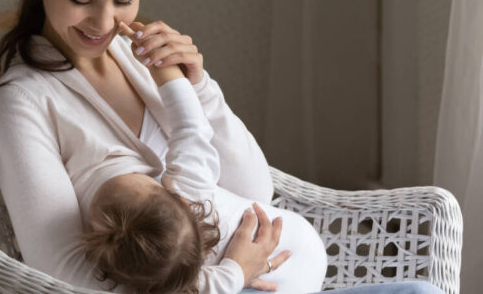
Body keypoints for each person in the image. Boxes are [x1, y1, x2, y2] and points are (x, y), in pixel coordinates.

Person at [0, 0, 445, 293]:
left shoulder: (140, 59)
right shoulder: (22, 102)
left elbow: (254, 187)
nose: (105, 23)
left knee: (423, 291)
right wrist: (225, 278)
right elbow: (63, 275)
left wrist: (198, 86)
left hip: (267, 276)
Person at [81, 28, 323, 293]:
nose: (127, 172)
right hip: (293, 254)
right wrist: (165, 71)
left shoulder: (160, 272)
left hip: (293, 255)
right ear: (180, 201)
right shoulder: (191, 191)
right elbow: (190, 125)